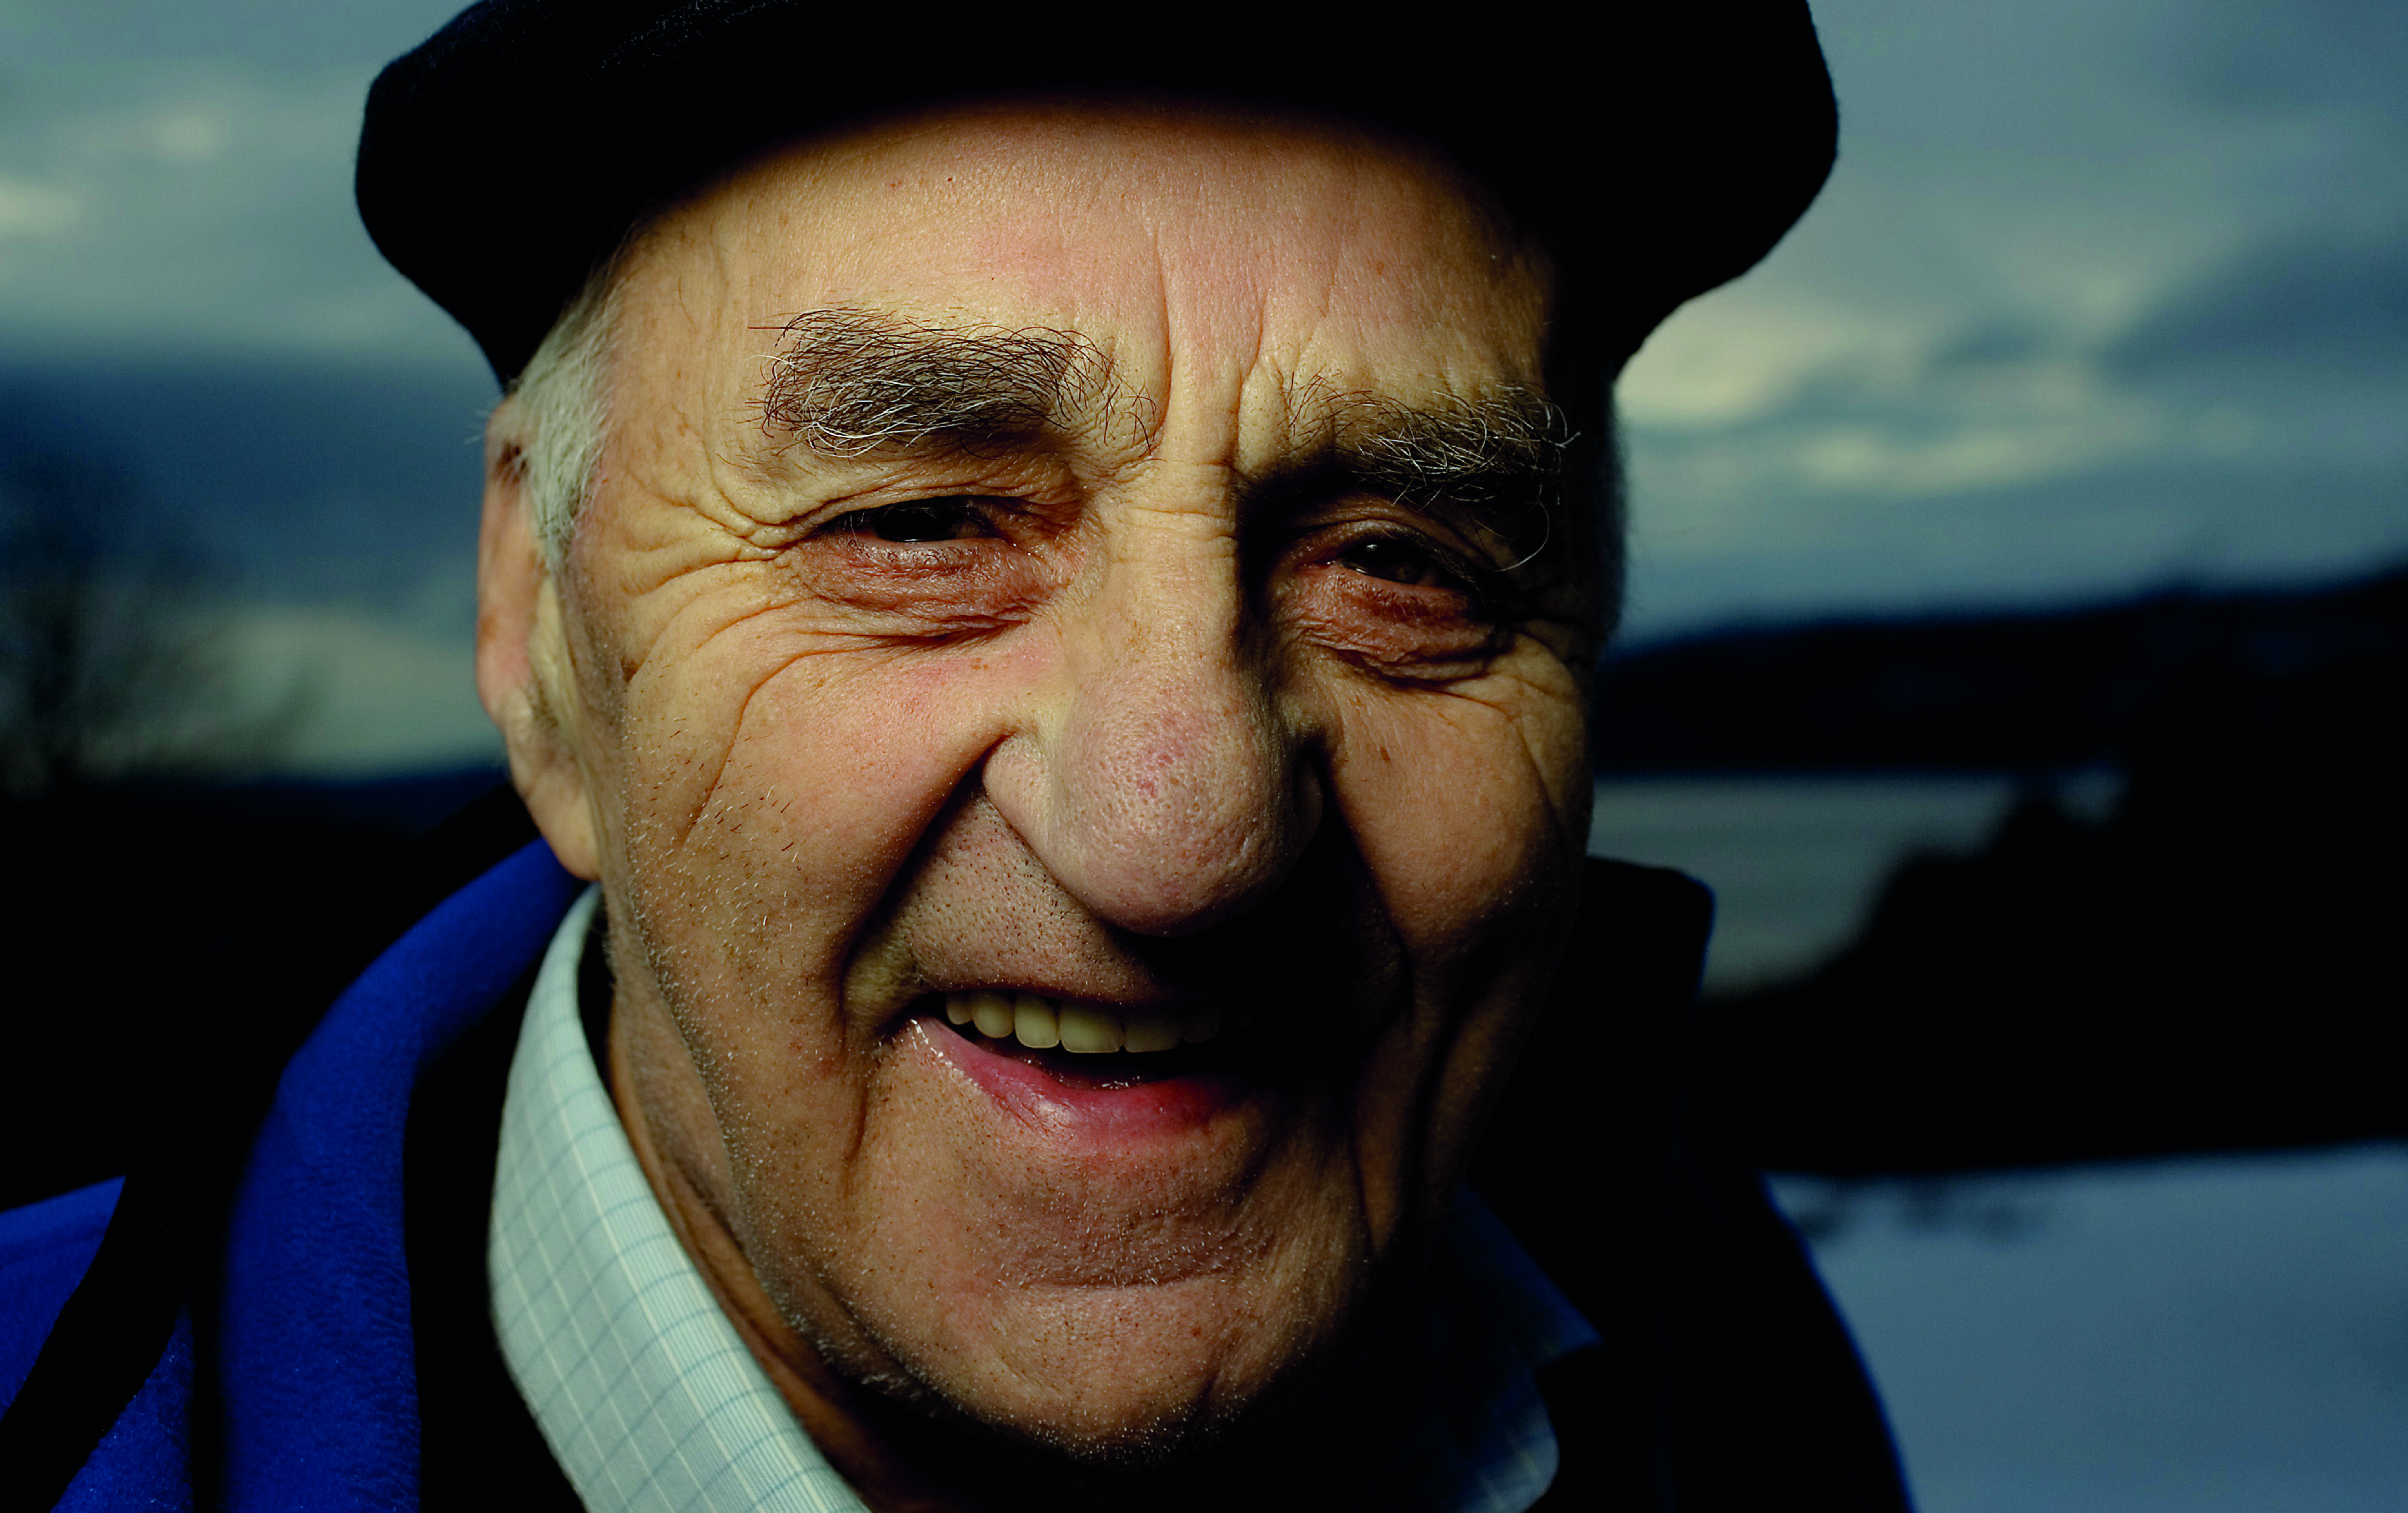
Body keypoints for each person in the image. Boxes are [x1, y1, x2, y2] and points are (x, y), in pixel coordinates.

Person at [0, 4, 1910, 1508]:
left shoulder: (1711, 1349)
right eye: (920, 525)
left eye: (1396, 564)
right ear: (541, 631)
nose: (1182, 836)